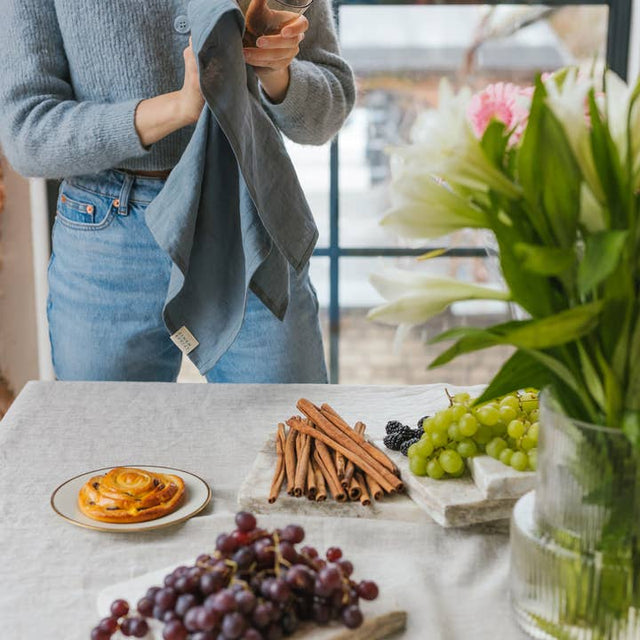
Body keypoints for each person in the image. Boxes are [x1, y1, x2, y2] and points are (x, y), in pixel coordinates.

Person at [0, 1, 355, 383]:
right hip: (105, 238)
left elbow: (328, 110)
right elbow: (28, 134)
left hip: (245, 223)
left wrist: (277, 72)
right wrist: (176, 108)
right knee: (110, 440)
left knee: (284, 432)